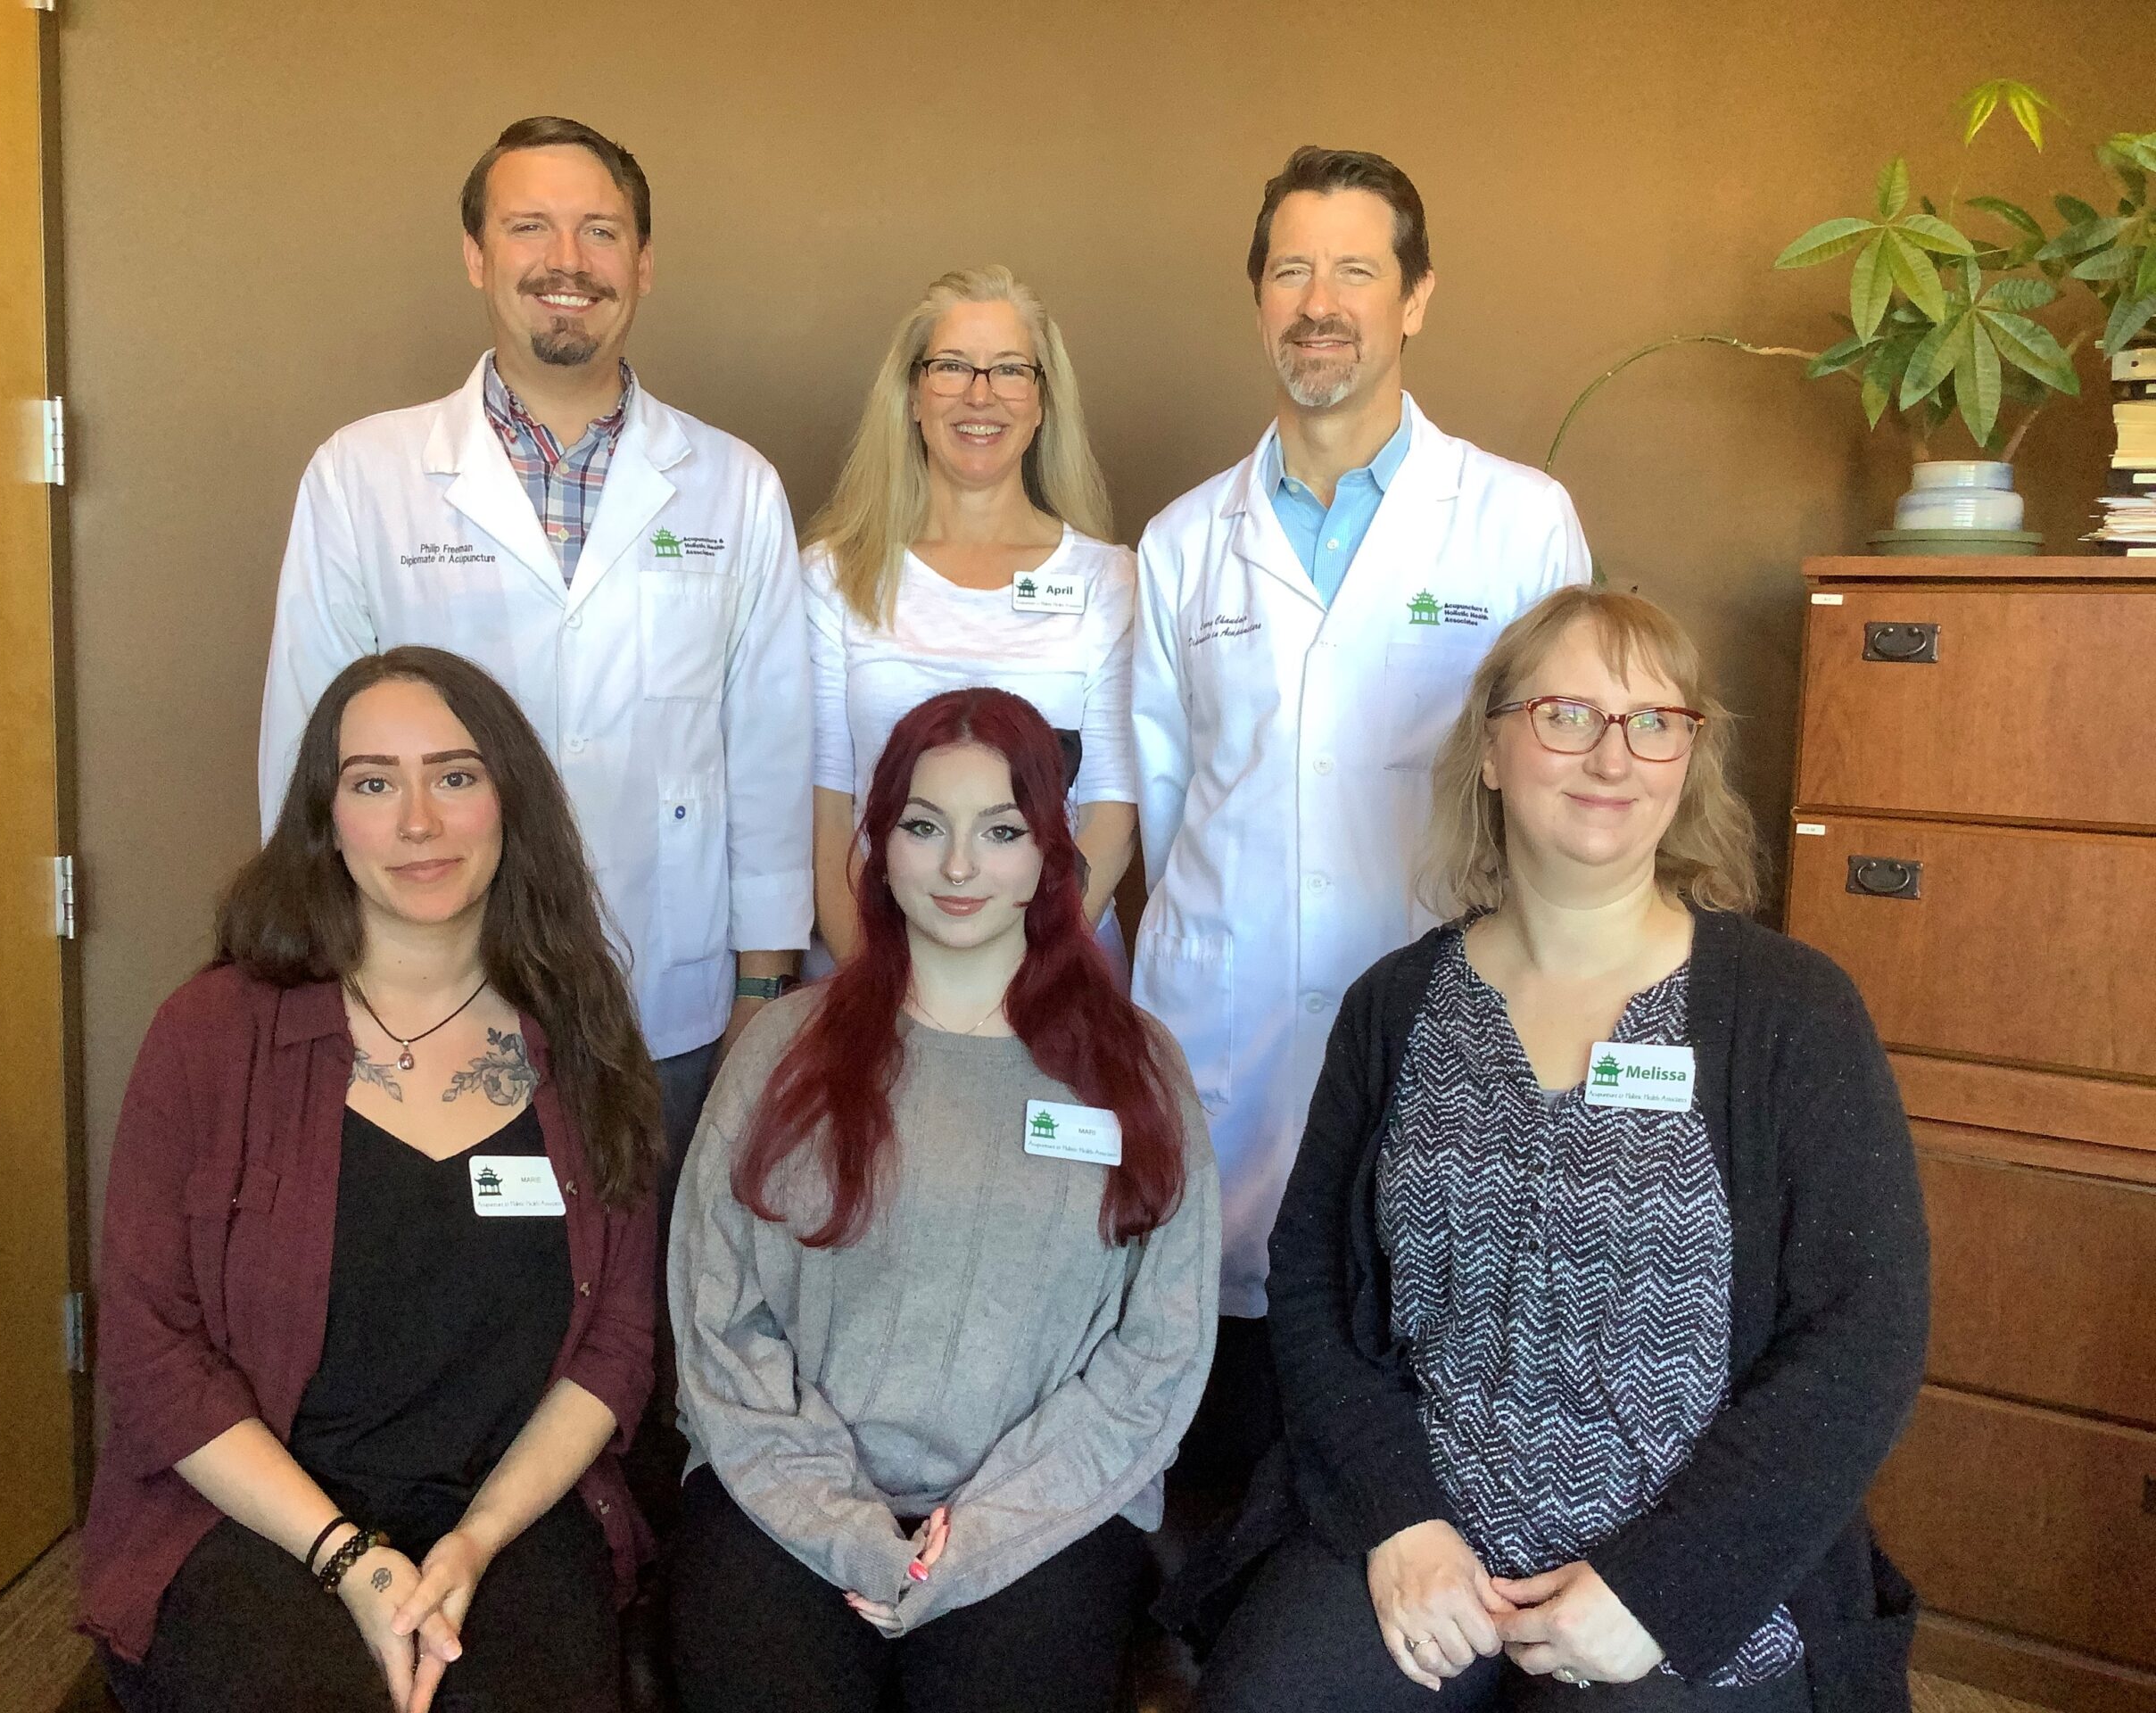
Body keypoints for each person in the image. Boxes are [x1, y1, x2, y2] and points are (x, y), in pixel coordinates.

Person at [1178, 588, 1929, 1713]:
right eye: (1567, 714)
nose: (1612, 757)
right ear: (1490, 747)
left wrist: (1662, 1589)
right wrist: (1400, 1518)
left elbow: (1862, 1336)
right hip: (1426, 1528)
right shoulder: (1397, 1006)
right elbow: (1311, 1287)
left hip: (1687, 1561)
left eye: (1653, 722)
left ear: (1687, 758)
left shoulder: (1788, 1011)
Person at [81, 647, 662, 1713]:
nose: (417, 823)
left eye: (454, 775)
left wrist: (476, 1544)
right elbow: (151, 1346)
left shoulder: (583, 1037)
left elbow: (617, 1347)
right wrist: (350, 1558)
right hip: (259, 1518)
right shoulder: (213, 1036)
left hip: (506, 1516)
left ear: (508, 801)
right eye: (373, 783)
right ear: (325, 816)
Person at [1130, 145, 1591, 1485]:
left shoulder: (1514, 522)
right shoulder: (1183, 542)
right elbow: (1165, 806)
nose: (1318, 303)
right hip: (1227, 1021)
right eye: (1290, 270)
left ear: (1417, 297)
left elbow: (1563, 791)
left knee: (1410, 1350)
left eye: (1355, 269)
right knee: (1228, 1390)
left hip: (1439, 1005)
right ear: (1257, 296)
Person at [257, 115, 811, 1196]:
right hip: (420, 992)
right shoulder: (363, 477)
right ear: (477, 256)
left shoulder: (732, 485)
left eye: (600, 232)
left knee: (649, 1315)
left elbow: (771, 743)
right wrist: (323, 972)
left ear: (642, 265)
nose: (568, 261)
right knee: (469, 1313)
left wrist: (761, 988)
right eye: (530, 228)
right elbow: (305, 749)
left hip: (671, 997)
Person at [666, 688, 1218, 1713]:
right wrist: (837, 1520)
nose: (960, 867)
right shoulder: (781, 1052)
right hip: (781, 1501)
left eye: (1001, 831)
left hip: (1044, 1521)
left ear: (1052, 856)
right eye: (925, 828)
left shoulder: (1137, 1071)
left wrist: (990, 1532)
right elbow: (717, 1319)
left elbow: (1159, 1351)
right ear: (879, 846)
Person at [805, 265, 1136, 977]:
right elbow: (825, 816)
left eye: (1010, 370)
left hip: (1056, 975)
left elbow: (1109, 815)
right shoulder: (833, 576)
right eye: (952, 366)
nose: (979, 394)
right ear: (913, 396)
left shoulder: (1110, 580)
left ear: (1043, 401)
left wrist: (1010, 987)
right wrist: (888, 988)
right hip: (870, 968)